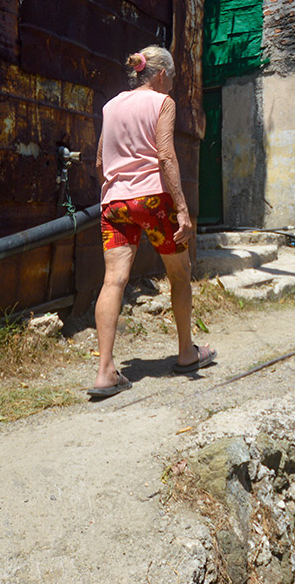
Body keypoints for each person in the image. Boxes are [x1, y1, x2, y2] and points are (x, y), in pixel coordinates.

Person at [87, 46, 216, 398]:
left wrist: (115, 190)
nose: (172, 84)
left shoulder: (111, 105)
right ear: (160, 74)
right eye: (172, 77)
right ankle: (187, 353)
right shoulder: (162, 103)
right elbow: (165, 156)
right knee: (180, 273)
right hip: (154, 199)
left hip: (115, 202)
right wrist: (183, 209)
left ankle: (105, 372)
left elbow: (100, 160)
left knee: (113, 280)